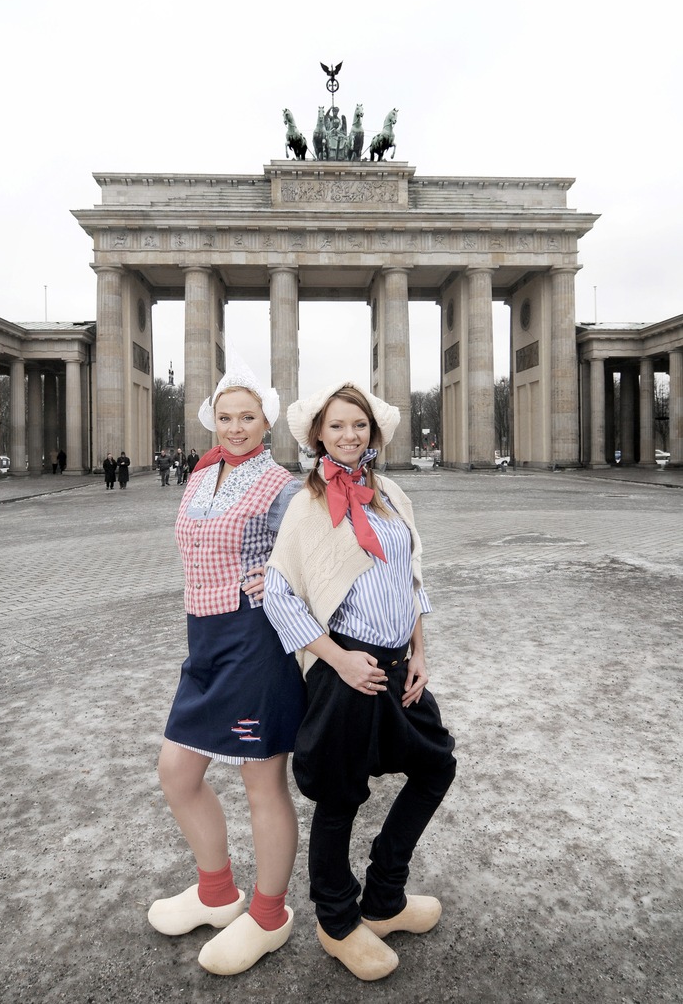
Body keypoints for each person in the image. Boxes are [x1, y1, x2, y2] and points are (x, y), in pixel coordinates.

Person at [263, 382, 456, 982]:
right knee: (340, 794)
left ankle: (385, 896)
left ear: (373, 431)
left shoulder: (389, 493)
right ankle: (337, 920)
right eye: (338, 426)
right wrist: (338, 659)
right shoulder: (307, 503)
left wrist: (420, 649)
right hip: (347, 668)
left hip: (399, 664)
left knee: (436, 766)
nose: (350, 436)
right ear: (317, 433)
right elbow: (279, 592)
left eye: (360, 425)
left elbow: (412, 575)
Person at [148, 353, 306, 978]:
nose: (235, 427)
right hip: (203, 644)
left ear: (267, 421)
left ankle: (268, 915)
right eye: (225, 416)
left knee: (261, 784)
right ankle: (216, 895)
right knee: (177, 773)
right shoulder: (199, 476)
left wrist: (283, 577)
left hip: (254, 643)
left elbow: (314, 559)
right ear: (210, 418)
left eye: (248, 416)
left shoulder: (284, 486)